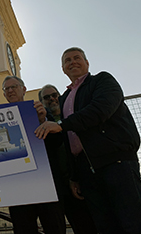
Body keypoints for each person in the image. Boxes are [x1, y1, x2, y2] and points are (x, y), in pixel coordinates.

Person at [35, 47, 141, 234]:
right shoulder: (65, 98)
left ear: (87, 62)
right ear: (63, 68)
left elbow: (99, 110)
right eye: (68, 60)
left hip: (116, 162)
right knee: (105, 226)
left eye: (77, 58)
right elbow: (69, 141)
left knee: (133, 222)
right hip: (86, 171)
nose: (72, 62)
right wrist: (75, 176)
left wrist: (62, 125)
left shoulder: (102, 80)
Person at [2, 76, 66, 234]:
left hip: (46, 183)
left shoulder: (39, 110)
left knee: (55, 227)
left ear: (23, 89)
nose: (10, 90)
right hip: (18, 188)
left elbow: (57, 142)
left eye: (14, 87)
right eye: (6, 89)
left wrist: (42, 120)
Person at [39, 84, 97, 234]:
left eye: (54, 95)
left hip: (80, 181)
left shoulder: (74, 117)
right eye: (46, 97)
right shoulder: (38, 123)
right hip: (57, 185)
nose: (52, 99)